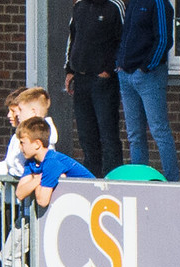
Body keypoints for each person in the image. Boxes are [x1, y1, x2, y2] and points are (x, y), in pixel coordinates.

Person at [117, 0, 180, 182]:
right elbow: (125, 36)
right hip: (127, 74)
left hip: (148, 76)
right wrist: (120, 63)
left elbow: (164, 40)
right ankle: (139, 180)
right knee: (134, 134)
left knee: (159, 130)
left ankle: (172, 181)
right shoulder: (133, 3)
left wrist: (146, 67)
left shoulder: (159, 3)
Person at [64, 0, 126, 178]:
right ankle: (91, 179)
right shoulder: (79, 6)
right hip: (81, 78)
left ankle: (113, 179)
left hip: (103, 81)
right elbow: (72, 38)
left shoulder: (114, 6)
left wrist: (108, 69)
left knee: (108, 135)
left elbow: (123, 40)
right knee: (86, 135)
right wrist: (69, 70)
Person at [15, 116, 94, 208]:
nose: (20, 147)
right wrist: (39, 178)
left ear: (37, 144)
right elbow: (20, 193)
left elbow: (42, 201)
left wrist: (34, 179)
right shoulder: (31, 162)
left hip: (91, 200)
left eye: (22, 143)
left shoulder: (52, 162)